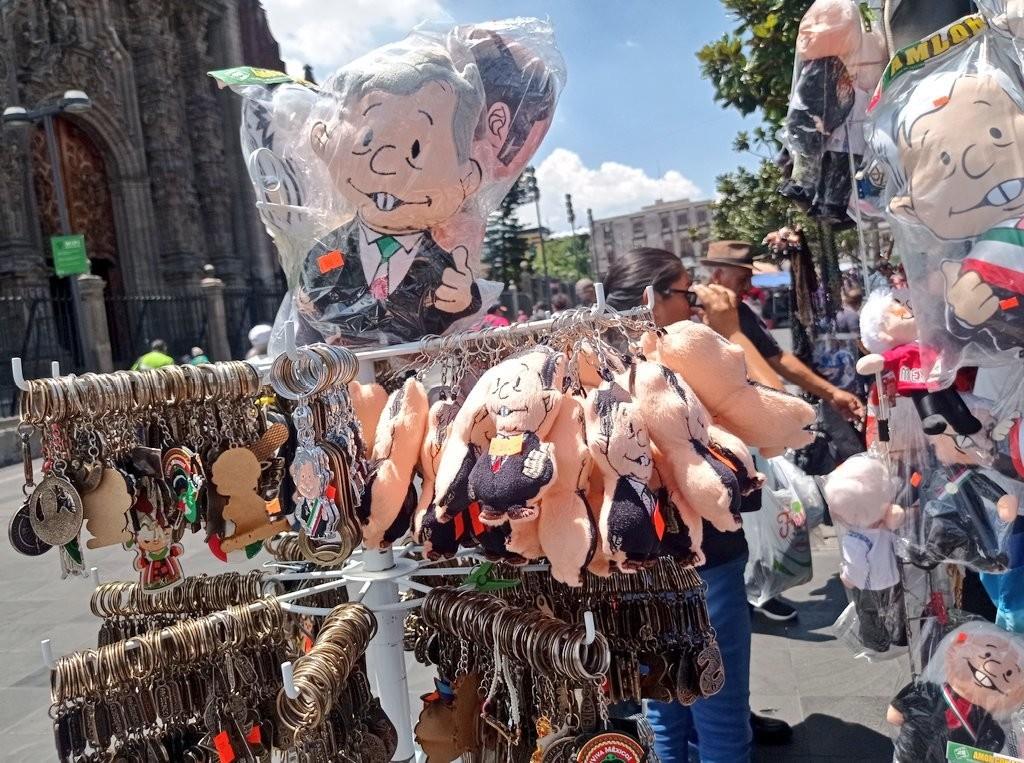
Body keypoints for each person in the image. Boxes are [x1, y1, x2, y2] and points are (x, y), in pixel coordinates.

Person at [604, 247, 792, 763]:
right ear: (652, 299)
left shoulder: (595, 368)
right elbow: (776, 403)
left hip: (638, 562)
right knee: (719, 706)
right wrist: (731, 334)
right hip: (705, 557)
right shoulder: (690, 362)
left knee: (664, 704)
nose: (695, 303)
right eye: (686, 293)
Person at [702, 241, 865, 423]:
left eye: (750, 279)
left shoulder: (744, 314)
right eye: (742, 280)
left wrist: (833, 393)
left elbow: (779, 359)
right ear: (717, 276)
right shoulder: (689, 314)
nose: (748, 288)